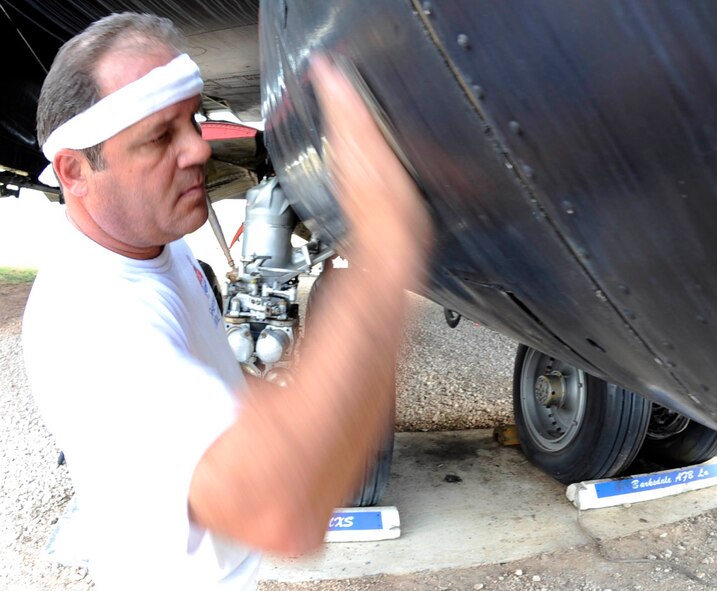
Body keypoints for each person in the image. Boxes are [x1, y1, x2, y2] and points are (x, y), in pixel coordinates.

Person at [23, 12, 431, 591]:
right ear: (74, 171)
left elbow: (227, 385)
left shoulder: (156, 249)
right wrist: (387, 244)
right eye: (160, 137)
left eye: (193, 120)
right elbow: (285, 513)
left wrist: (304, 409)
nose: (198, 150)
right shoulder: (93, 324)